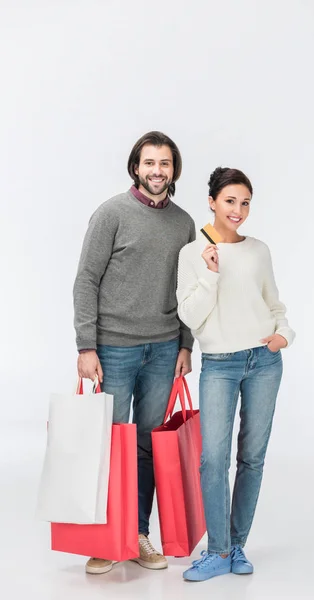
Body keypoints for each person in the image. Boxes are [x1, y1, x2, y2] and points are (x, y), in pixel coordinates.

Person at [73, 131, 195, 574]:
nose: (157, 171)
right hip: (114, 348)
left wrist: (185, 343)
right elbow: (86, 279)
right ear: (136, 167)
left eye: (164, 163)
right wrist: (86, 344)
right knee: (110, 444)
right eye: (149, 163)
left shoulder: (183, 222)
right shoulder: (111, 214)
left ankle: (138, 533)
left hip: (164, 349)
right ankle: (106, 539)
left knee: (145, 446)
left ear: (173, 170)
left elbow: (188, 289)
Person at [176, 167, 295, 581]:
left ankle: (237, 546)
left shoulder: (259, 250)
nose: (238, 210)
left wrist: (284, 335)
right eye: (230, 201)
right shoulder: (193, 253)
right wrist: (210, 273)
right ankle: (218, 550)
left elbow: (274, 304)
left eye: (245, 202)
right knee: (213, 460)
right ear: (212, 202)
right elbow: (189, 316)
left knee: (252, 458)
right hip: (221, 365)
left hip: (264, 362)